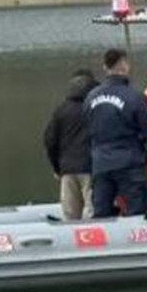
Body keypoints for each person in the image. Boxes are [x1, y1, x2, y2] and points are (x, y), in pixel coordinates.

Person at [83, 48, 147, 217]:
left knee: (102, 213)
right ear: (125, 66)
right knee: (137, 214)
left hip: (100, 164)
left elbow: (86, 131)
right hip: (129, 164)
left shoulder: (90, 97)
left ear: (105, 68)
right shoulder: (134, 97)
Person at [43, 69, 98, 220]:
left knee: (71, 215)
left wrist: (57, 167)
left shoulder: (61, 110)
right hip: (91, 167)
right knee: (93, 212)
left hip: (67, 169)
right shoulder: (95, 108)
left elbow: (50, 140)